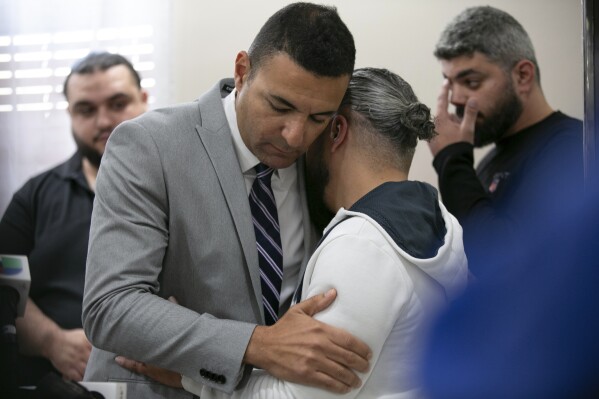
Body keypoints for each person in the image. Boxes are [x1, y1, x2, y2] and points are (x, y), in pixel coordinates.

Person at [116, 67, 470, 399]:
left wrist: (186, 375)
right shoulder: (442, 220)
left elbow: (295, 396)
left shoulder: (360, 246)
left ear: (336, 131)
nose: (296, 138)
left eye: (315, 121)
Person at [82, 3, 372, 398]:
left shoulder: (324, 156)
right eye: (280, 106)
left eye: (319, 117)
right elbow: (110, 307)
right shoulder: (148, 145)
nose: (295, 136)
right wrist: (258, 344)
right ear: (242, 71)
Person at [0, 52, 148, 387]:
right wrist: (51, 341)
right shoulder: (34, 197)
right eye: (86, 109)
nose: (103, 121)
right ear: (69, 114)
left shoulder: (182, 187)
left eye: (118, 103)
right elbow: (2, 279)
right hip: (50, 384)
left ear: (143, 101)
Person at [428, 6, 583, 276]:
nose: (455, 98)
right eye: (449, 82)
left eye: (471, 81)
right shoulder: (494, 157)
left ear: (522, 76)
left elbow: (507, 266)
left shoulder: (572, 147)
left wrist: (452, 160)